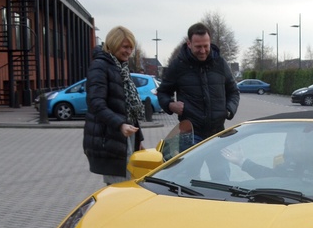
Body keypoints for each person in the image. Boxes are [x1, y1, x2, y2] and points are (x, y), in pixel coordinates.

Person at [157, 22, 240, 179]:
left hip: (217, 133)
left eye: (206, 46)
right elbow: (162, 93)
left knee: (222, 180)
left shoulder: (220, 64)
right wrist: (170, 105)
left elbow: (234, 92)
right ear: (189, 44)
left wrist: (228, 110)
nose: (202, 51)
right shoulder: (178, 66)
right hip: (190, 134)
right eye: (198, 47)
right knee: (188, 180)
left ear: (210, 42)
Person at [83, 26, 144, 185]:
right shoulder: (100, 66)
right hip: (109, 139)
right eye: (125, 47)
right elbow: (96, 103)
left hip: (125, 135)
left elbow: (128, 108)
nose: (128, 51)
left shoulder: (121, 67)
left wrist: (139, 139)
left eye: (131, 47)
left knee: (129, 184)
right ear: (113, 44)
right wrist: (119, 125)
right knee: (120, 188)